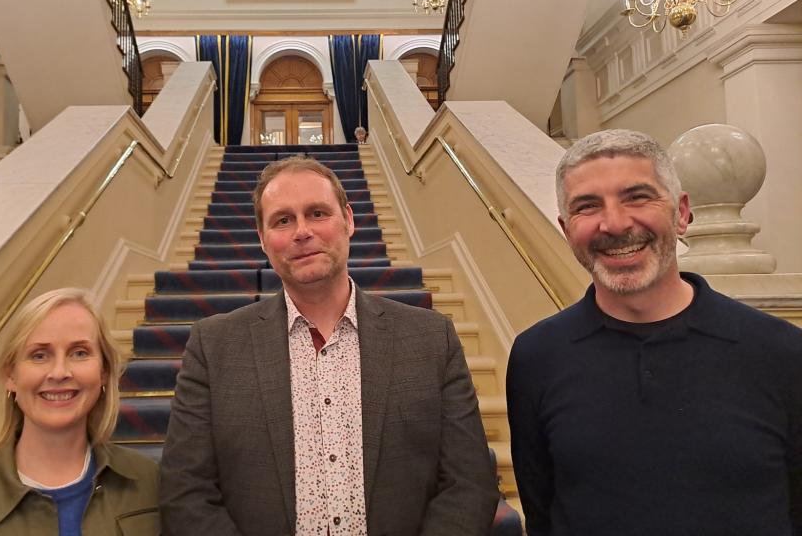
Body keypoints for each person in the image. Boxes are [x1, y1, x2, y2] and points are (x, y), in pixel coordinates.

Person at [160, 156, 498, 535]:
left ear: (349, 221)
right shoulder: (213, 347)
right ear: (263, 239)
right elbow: (186, 491)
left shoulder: (431, 339)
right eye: (282, 220)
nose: (302, 232)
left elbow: (469, 482)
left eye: (317, 213)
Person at [507, 129, 802, 536]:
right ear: (566, 228)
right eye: (587, 206)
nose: (614, 224)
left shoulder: (780, 351)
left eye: (637, 197)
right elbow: (543, 512)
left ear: (681, 213)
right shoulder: (536, 357)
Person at [0, 288, 159, 535]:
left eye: (79, 353)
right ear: (10, 375)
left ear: (104, 371)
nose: (60, 372)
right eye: (39, 355)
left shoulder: (150, 484)